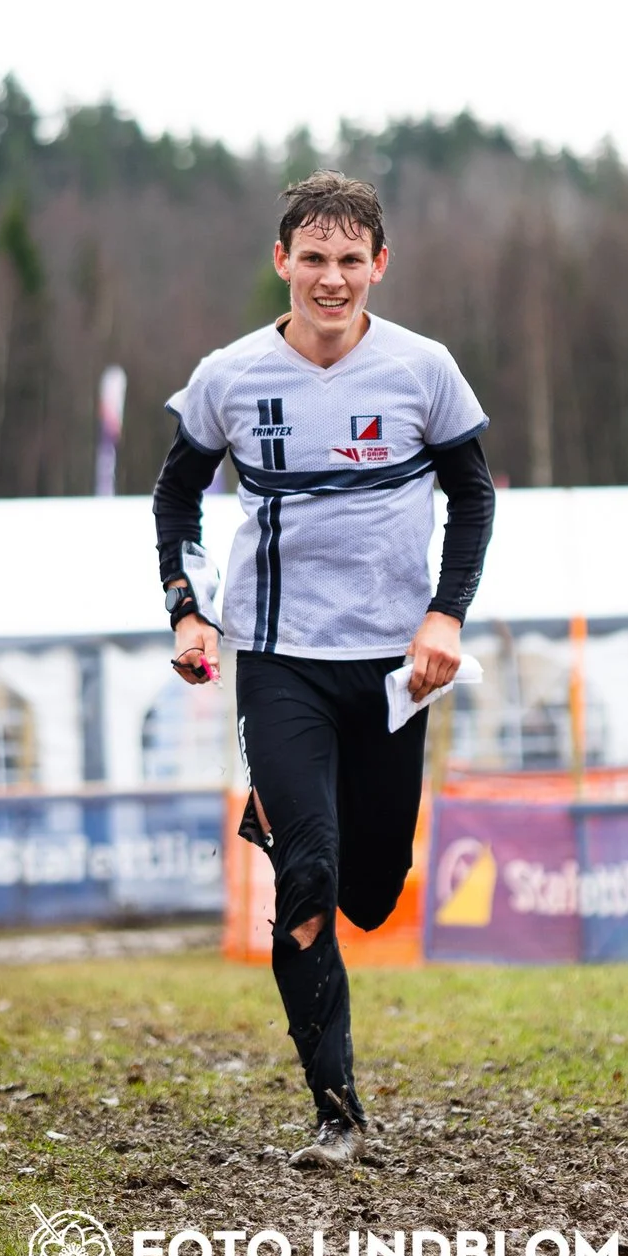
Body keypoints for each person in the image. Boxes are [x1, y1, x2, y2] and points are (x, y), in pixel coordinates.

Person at [153, 169, 495, 1171]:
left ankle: (295, 825)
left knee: (375, 890)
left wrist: (445, 613)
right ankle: (336, 1112)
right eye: (314, 259)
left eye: (351, 260)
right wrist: (188, 609)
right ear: (281, 262)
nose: (332, 279)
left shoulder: (425, 370)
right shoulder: (228, 375)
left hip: (394, 663)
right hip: (277, 659)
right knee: (306, 882)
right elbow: (176, 500)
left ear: (379, 266)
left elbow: (473, 500)